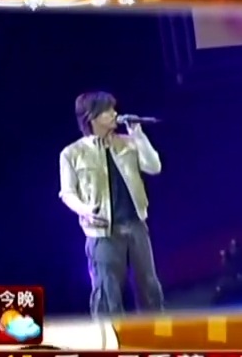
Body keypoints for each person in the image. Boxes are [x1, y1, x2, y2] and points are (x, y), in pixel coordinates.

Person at [58, 91, 164, 317]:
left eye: (113, 109)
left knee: (149, 286)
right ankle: (111, 335)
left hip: (135, 225)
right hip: (102, 232)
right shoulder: (72, 153)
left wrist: (138, 135)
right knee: (107, 292)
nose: (115, 114)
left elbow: (154, 167)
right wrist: (85, 210)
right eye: (107, 111)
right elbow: (67, 193)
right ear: (92, 117)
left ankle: (155, 332)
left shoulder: (128, 142)